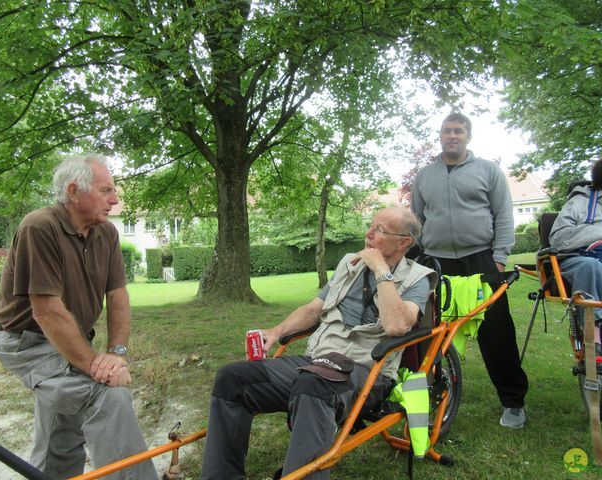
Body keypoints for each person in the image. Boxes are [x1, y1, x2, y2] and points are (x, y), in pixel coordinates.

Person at [200, 207, 437, 480]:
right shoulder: (349, 263)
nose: (368, 234)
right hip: (316, 361)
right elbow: (314, 310)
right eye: (370, 226)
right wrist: (276, 332)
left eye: (380, 230)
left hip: (366, 371)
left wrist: (381, 269)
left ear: (404, 242)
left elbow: (397, 326)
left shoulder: (418, 278)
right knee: (233, 378)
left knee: (314, 385)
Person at [0, 155, 158, 480]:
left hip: (69, 337)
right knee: (106, 395)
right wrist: (97, 366)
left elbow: (118, 296)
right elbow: (46, 311)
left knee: (62, 430)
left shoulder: (106, 233)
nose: (115, 199)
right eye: (106, 190)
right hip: (27, 342)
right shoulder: (39, 227)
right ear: (73, 191)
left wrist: (116, 353)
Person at [411, 112, 529, 429]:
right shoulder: (424, 176)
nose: (453, 135)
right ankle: (424, 393)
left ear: (468, 136)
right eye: (447, 131)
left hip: (480, 260)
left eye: (459, 131)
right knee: (426, 330)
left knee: (496, 332)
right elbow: (416, 222)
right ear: (440, 135)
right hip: (436, 263)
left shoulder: (488, 171)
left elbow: (503, 217)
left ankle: (513, 402)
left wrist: (499, 261)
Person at [549, 158, 602, 349]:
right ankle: (593, 337)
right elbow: (557, 239)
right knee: (591, 267)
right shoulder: (579, 201)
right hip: (579, 258)